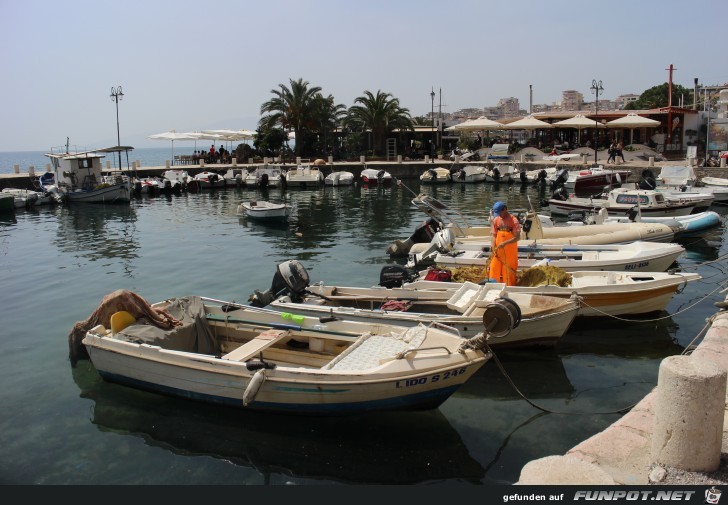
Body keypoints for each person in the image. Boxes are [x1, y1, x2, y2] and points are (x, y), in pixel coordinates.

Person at [488, 201, 521, 286]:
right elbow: (494, 235)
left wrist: (505, 243)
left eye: (500, 213)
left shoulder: (514, 220)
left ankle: (509, 287)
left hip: (509, 252)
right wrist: (492, 244)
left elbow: (517, 237)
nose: (499, 215)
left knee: (508, 272)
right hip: (498, 251)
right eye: (497, 213)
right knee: (494, 268)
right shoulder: (496, 220)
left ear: (505, 209)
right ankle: (493, 286)